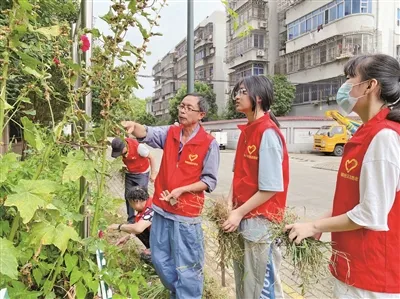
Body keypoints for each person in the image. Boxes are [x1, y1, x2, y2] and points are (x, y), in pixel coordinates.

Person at [285, 54, 400, 298]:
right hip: (352, 265)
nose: (344, 86)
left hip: (372, 275)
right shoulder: (367, 133)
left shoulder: (384, 137)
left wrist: (315, 225)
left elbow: (370, 213)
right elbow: (352, 202)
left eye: (350, 78)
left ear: (370, 85)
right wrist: (316, 226)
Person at [121, 93, 220, 299]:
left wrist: (183, 189)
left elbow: (209, 181)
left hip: (186, 216)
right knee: (158, 258)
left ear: (201, 114)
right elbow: (147, 132)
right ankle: (181, 292)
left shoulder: (208, 143)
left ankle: (188, 294)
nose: (182, 110)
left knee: (188, 267)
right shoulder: (171, 133)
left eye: (188, 107)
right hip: (161, 210)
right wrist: (133, 125)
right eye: (181, 106)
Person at [222, 75, 289, 299]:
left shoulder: (267, 132)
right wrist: (229, 203)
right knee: (245, 282)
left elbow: (271, 187)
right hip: (242, 216)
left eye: (242, 92)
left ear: (258, 98)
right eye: (236, 92)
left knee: (260, 285)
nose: (236, 97)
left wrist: (238, 212)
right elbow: (238, 173)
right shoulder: (247, 130)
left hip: (261, 220)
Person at [111, 137, 157, 223]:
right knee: (128, 196)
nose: (120, 154)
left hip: (142, 173)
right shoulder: (121, 151)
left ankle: (144, 218)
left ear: (124, 147)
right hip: (129, 173)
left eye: (120, 152)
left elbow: (152, 157)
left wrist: (153, 173)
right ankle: (131, 220)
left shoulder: (139, 148)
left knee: (141, 196)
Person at [108, 187, 153, 262]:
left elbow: (138, 228)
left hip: (167, 242)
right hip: (161, 237)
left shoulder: (151, 208)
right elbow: (137, 227)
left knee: (146, 256)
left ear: (136, 201)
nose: (131, 207)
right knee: (137, 227)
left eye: (131, 204)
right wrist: (127, 237)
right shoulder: (147, 204)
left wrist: (118, 226)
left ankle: (157, 259)